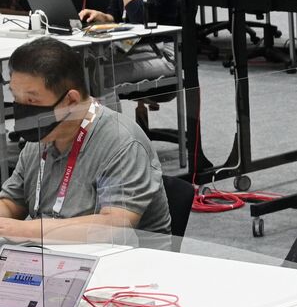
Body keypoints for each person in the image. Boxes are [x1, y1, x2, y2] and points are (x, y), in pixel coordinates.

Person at [0, 38, 171, 240]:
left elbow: (114, 227)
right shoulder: (42, 136)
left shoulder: (121, 142)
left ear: (71, 101)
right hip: (54, 255)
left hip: (127, 261)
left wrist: (19, 230)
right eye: (16, 97)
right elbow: (12, 202)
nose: (21, 109)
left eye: (31, 100)